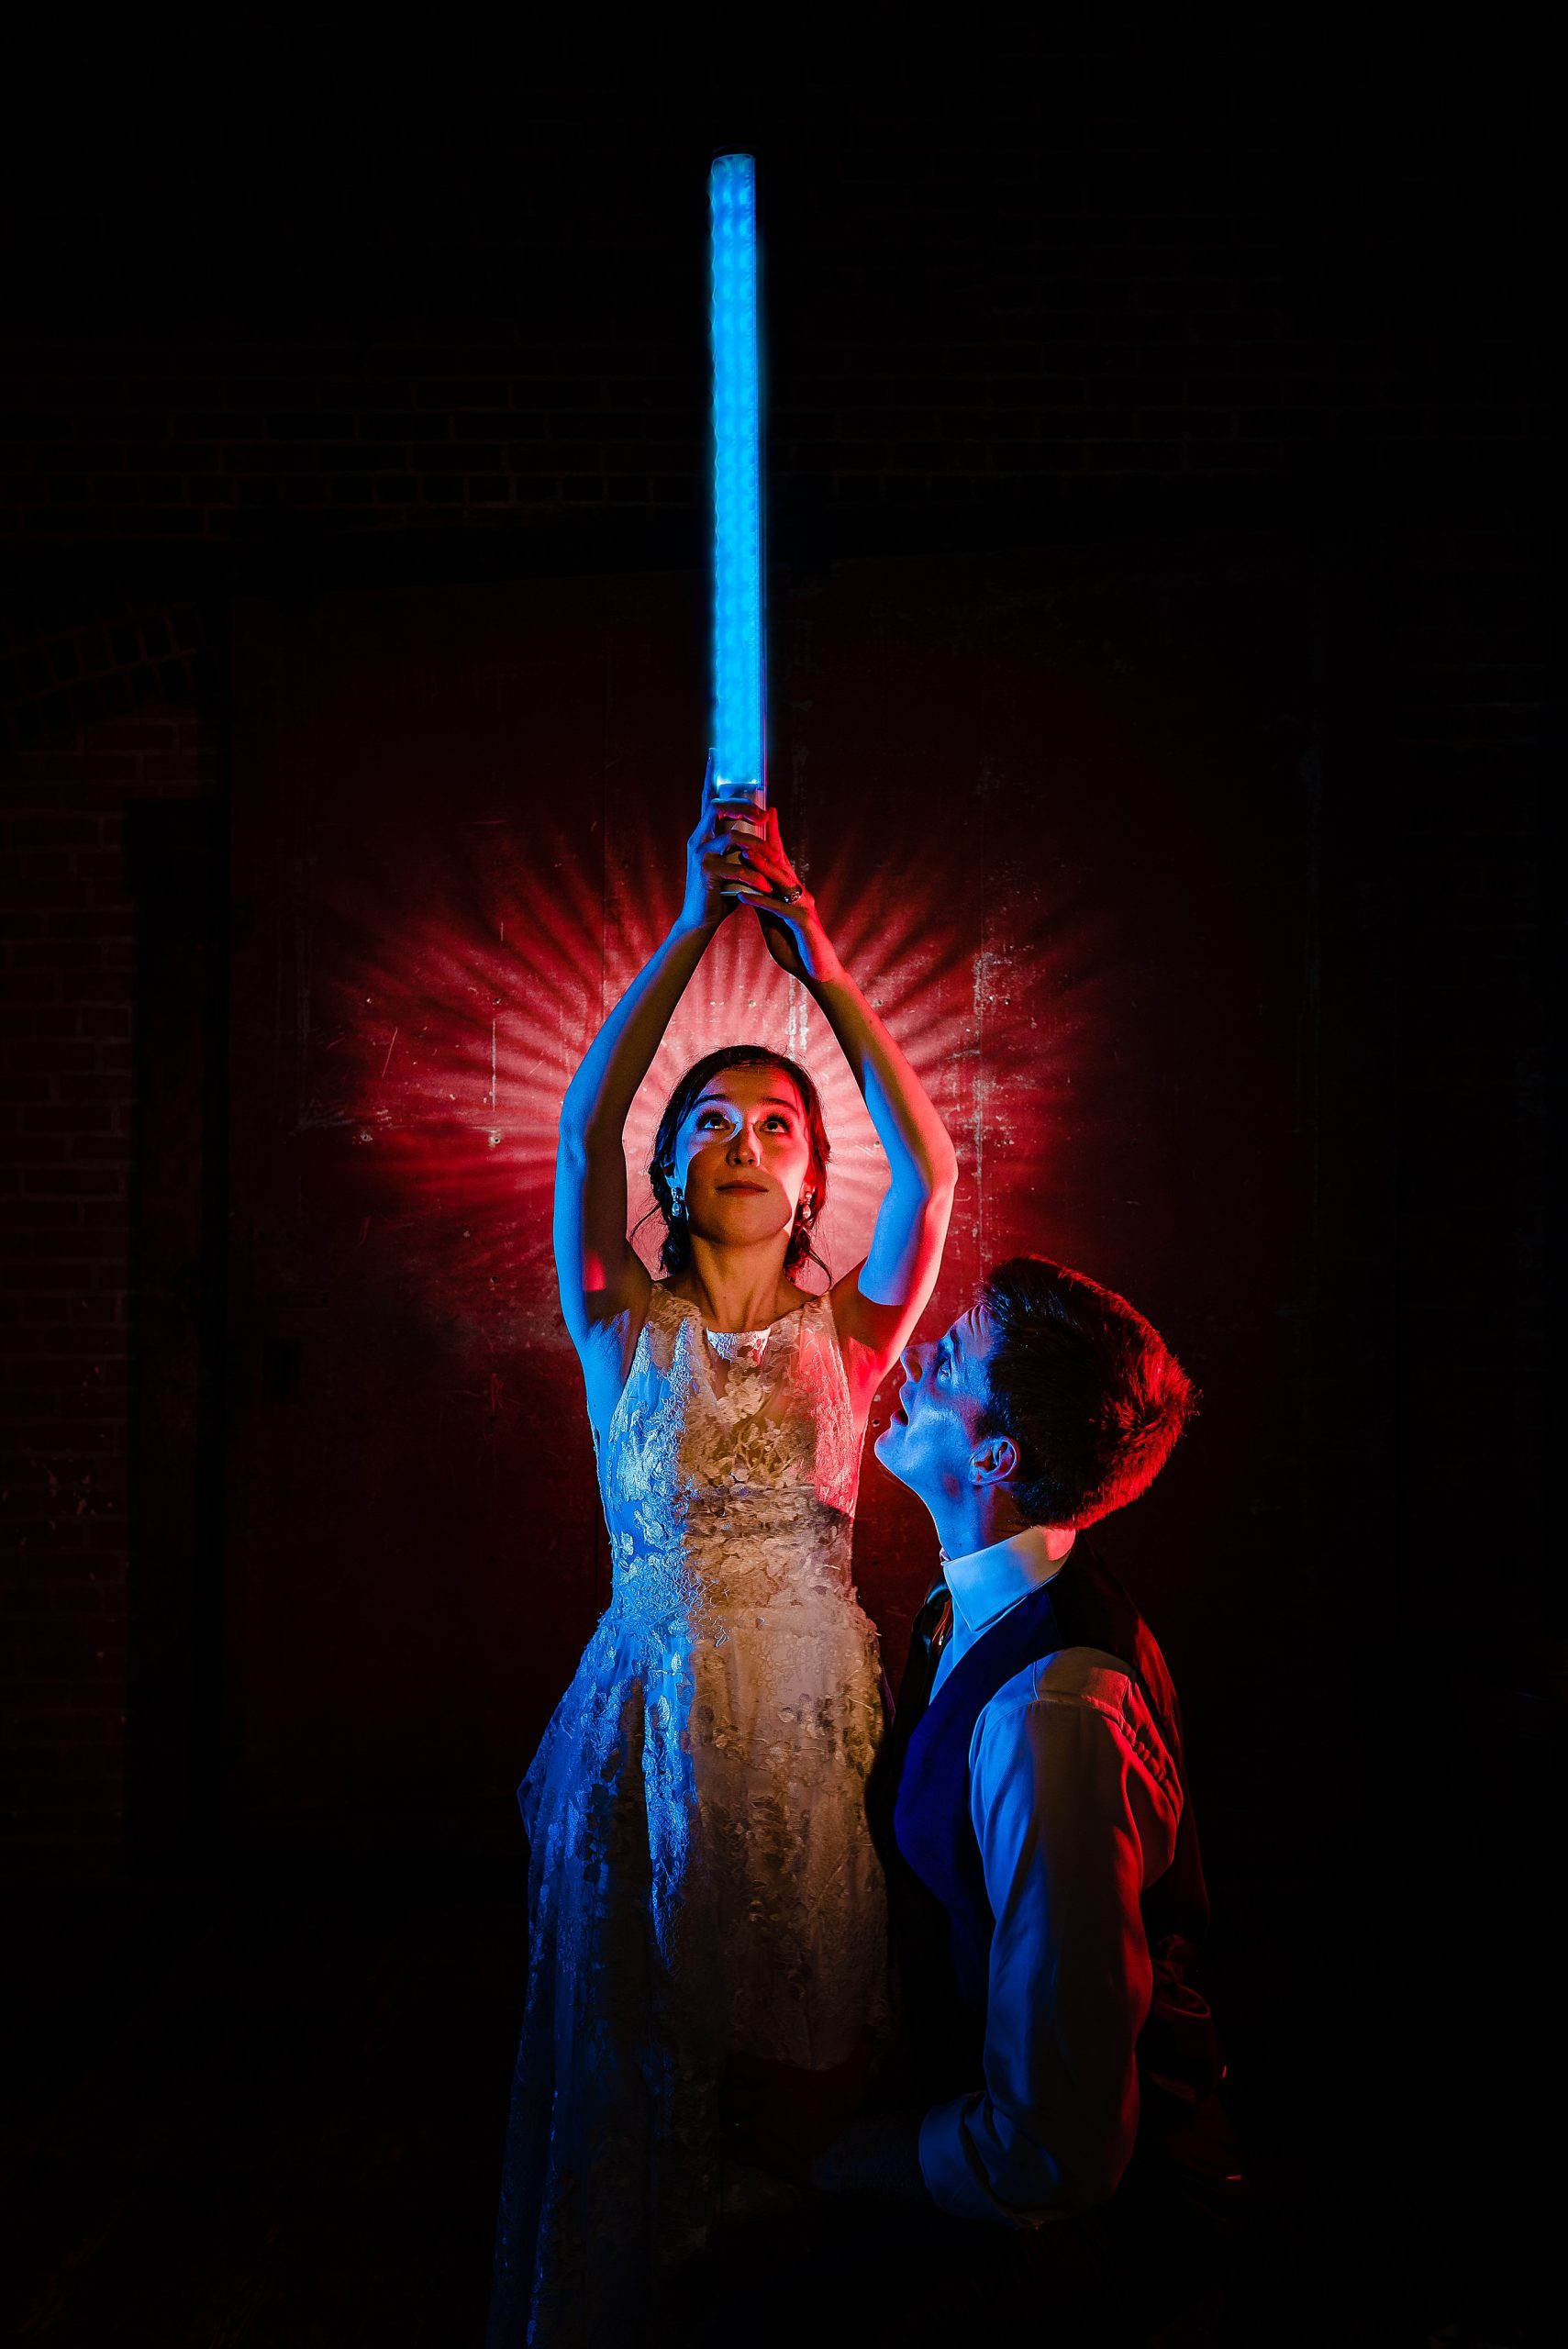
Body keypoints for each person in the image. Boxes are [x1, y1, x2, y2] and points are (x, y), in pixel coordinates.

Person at [487, 759, 958, 2346]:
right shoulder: (619, 1325)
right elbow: (578, 1132)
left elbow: (938, 1169)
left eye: (776, 1123)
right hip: (648, 1722)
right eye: (714, 1122)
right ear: (675, 1168)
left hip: (812, 1730)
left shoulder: (857, 1331)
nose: (745, 1140)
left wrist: (816, 968)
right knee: (644, 2059)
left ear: (812, 1173)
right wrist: (699, 929)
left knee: (796, 2038)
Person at [710, 1255, 1234, 2343]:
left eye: (951, 1355)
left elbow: (1059, 2146)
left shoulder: (1052, 1721)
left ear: (995, 1454)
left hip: (1097, 2209)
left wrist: (835, 2147)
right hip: (983, 2126)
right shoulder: (972, 1604)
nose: (916, 1355)